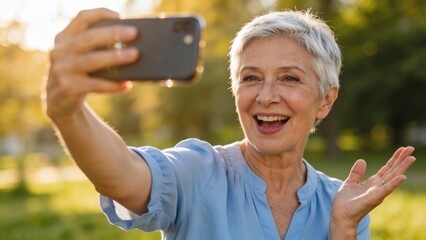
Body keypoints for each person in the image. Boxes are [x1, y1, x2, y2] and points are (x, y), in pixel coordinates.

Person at [42, 7, 416, 240]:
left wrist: (343, 230)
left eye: (289, 78)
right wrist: (68, 111)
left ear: (326, 100)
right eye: (251, 78)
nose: (266, 96)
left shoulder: (344, 202)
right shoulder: (198, 170)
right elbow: (122, 176)